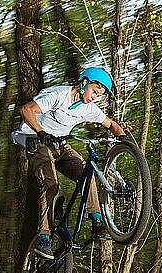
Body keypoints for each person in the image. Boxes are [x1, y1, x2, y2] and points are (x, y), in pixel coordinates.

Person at [11, 67, 127, 259]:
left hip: (60, 144)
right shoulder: (58, 95)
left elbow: (112, 124)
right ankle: (44, 239)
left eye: (99, 95)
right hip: (36, 140)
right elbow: (26, 110)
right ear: (83, 83)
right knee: (51, 184)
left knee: (86, 172)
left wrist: (124, 141)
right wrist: (40, 131)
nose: (94, 97)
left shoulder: (89, 108)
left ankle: (97, 221)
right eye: (94, 91)